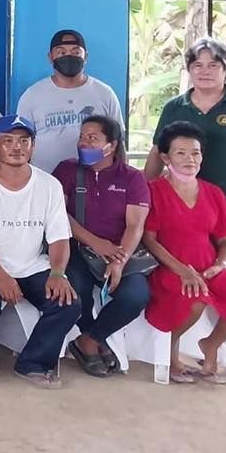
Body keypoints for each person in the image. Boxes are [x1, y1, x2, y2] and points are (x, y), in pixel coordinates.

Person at [143, 121, 226, 382]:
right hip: (169, 269)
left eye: (196, 153)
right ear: (165, 157)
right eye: (181, 153)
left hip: (208, 268)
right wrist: (182, 270)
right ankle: (170, 353)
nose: (190, 159)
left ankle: (210, 345)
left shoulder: (213, 193)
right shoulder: (154, 191)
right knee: (194, 301)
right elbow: (150, 240)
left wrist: (221, 264)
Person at [0, 115, 80, 389]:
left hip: (32, 265)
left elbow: (60, 238)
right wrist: (1, 276)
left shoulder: (49, 185)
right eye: (8, 141)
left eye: (24, 141)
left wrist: (58, 273)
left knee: (68, 304)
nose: (17, 147)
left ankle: (33, 363)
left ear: (33, 146)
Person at [145, 37, 226, 277]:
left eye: (214, 65)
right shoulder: (174, 107)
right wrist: (141, 196)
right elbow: (156, 152)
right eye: (198, 65)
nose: (205, 71)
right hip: (181, 205)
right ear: (189, 69)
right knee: (182, 271)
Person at [52, 116, 153, 378]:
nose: (84, 143)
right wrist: (97, 243)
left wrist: (118, 261)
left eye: (93, 138)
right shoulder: (67, 170)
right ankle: (95, 342)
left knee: (135, 296)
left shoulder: (132, 178)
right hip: (77, 248)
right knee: (76, 290)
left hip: (121, 250)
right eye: (82, 137)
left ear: (111, 145)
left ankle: (90, 340)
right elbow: (58, 215)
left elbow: (135, 226)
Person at [14, 29, 124, 172]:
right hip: (45, 179)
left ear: (86, 57)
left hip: (96, 180)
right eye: (61, 52)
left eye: (76, 52)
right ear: (50, 57)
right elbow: (20, 141)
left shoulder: (104, 93)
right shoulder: (32, 95)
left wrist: (122, 176)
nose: (69, 57)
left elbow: (118, 140)